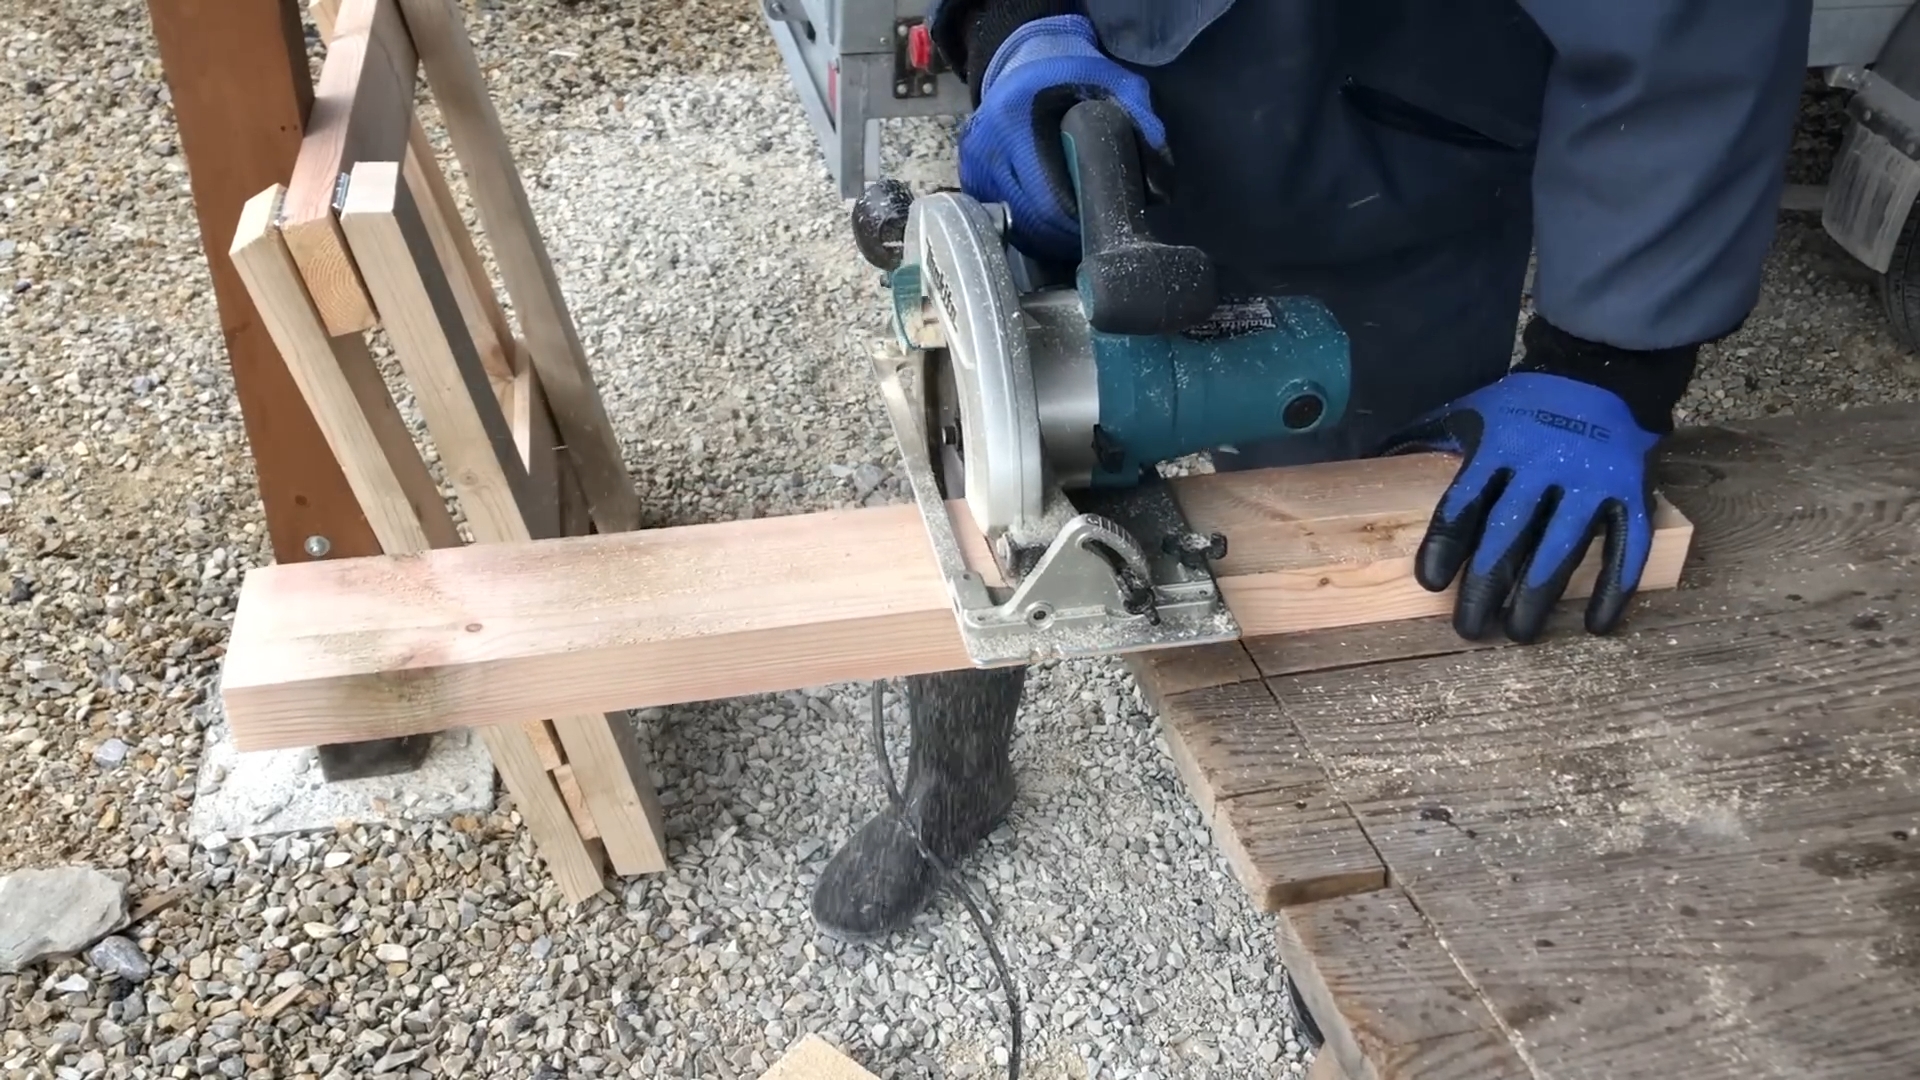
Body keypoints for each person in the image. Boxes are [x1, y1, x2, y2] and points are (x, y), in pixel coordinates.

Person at [810, 0, 1814, 942]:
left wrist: (1610, 357)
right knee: (980, 478)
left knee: (1377, 552)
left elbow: (1695, 28)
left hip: (1390, 146)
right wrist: (1015, 26)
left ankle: (1354, 891)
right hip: (1097, 122)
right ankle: (952, 784)